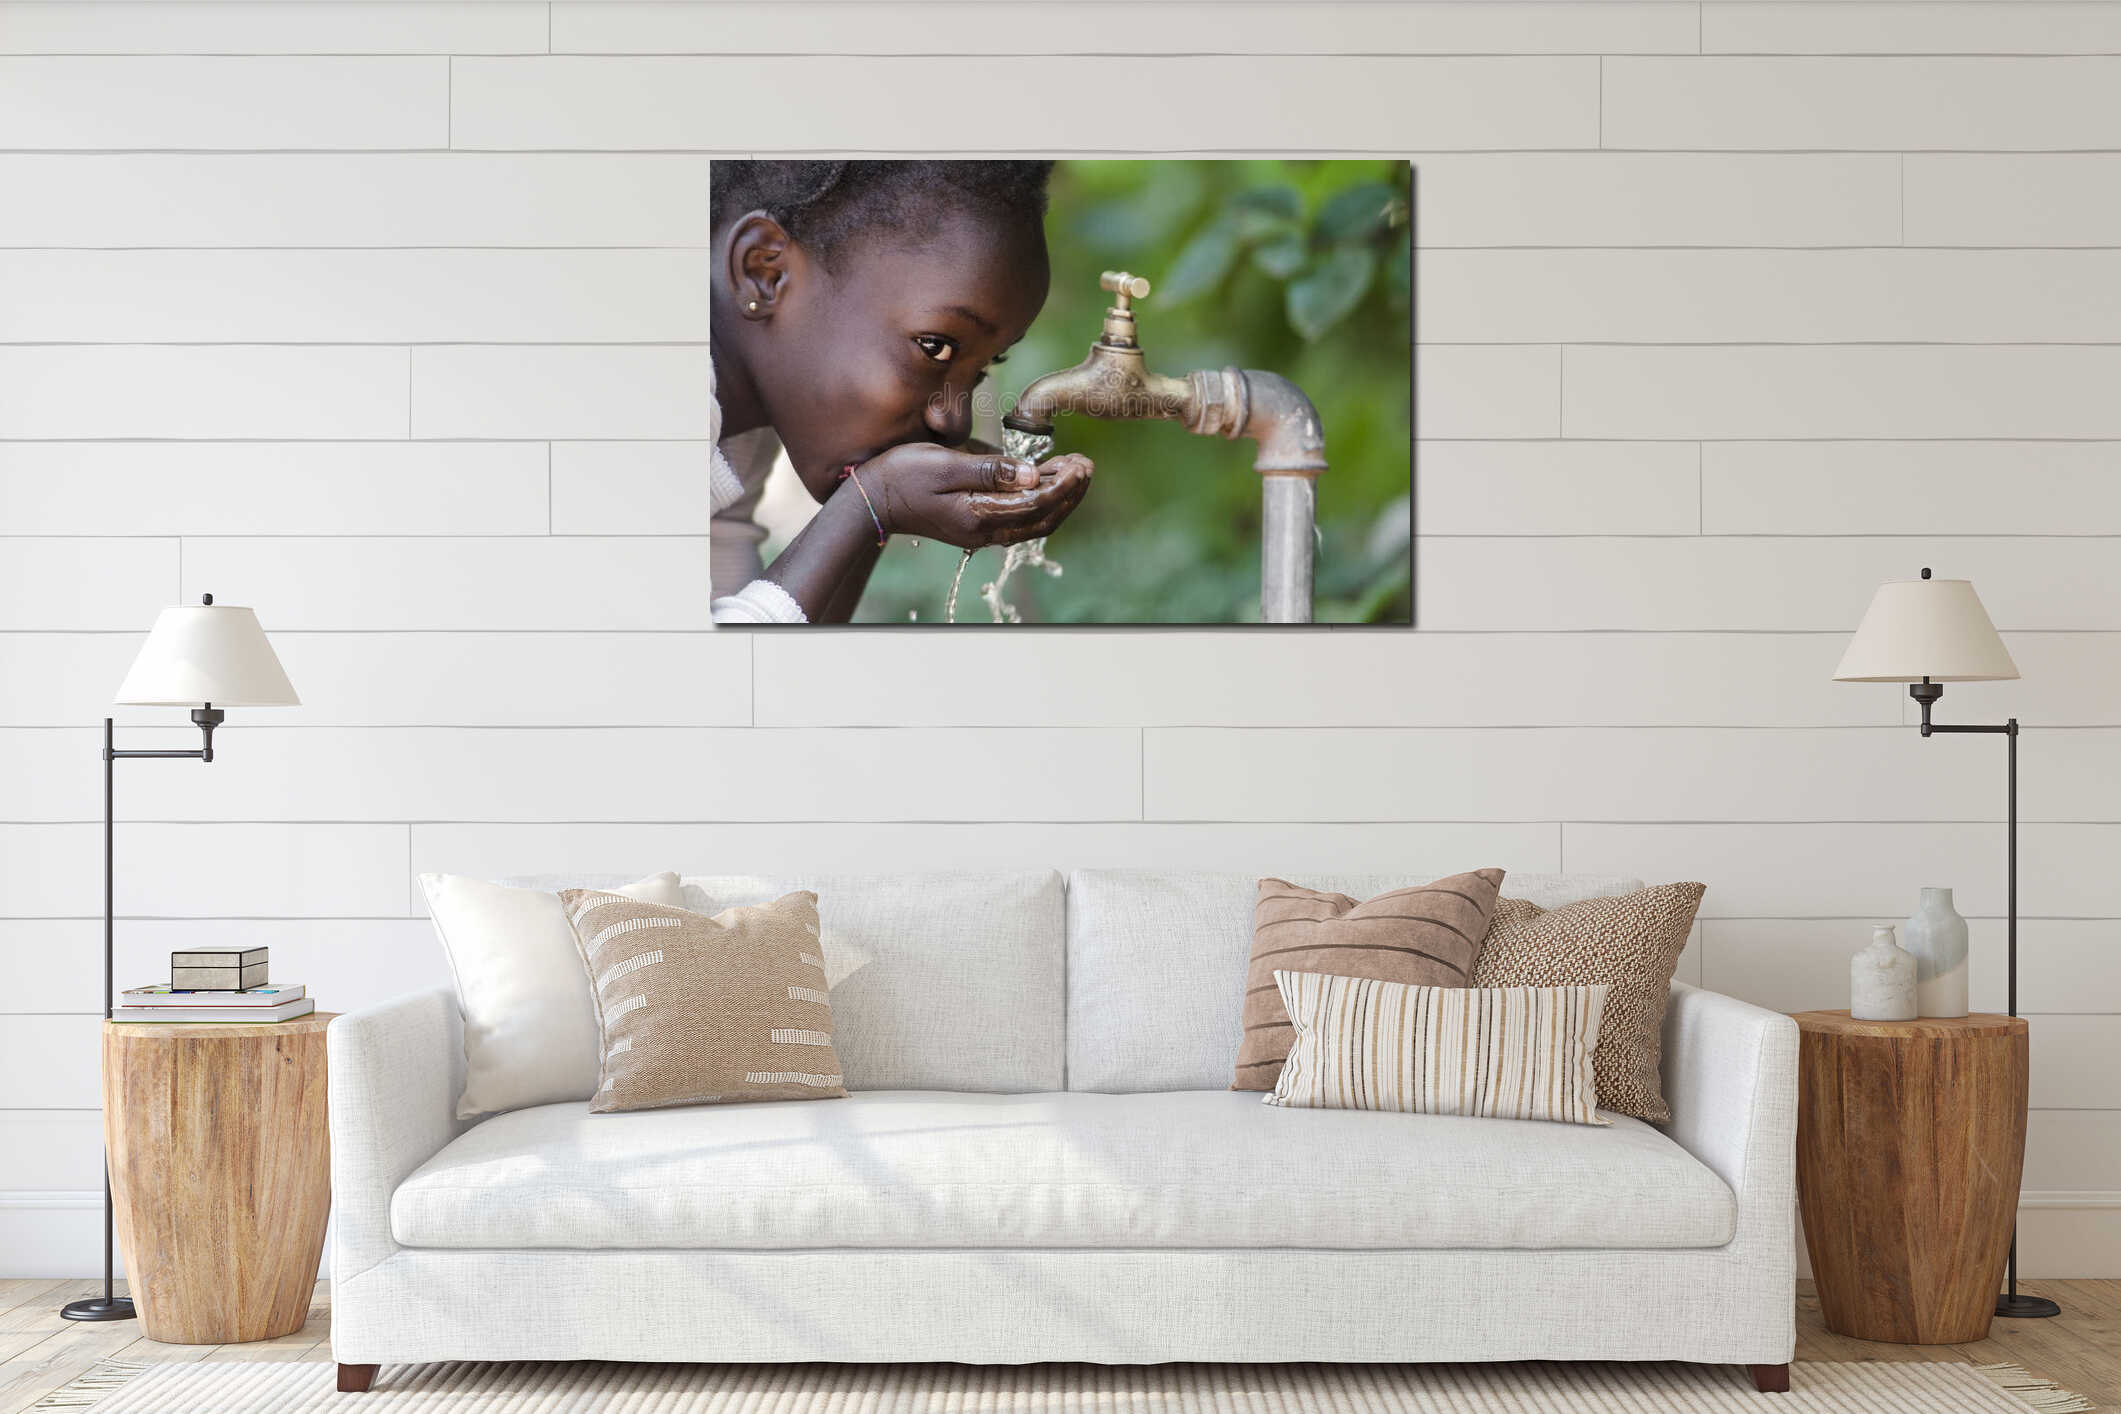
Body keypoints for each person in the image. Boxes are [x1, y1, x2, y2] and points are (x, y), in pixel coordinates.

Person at [707, 160, 1094, 624]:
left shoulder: (739, 434)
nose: (954, 422)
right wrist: (871, 502)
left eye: (984, 368)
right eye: (936, 347)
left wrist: (880, 506)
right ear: (765, 272)